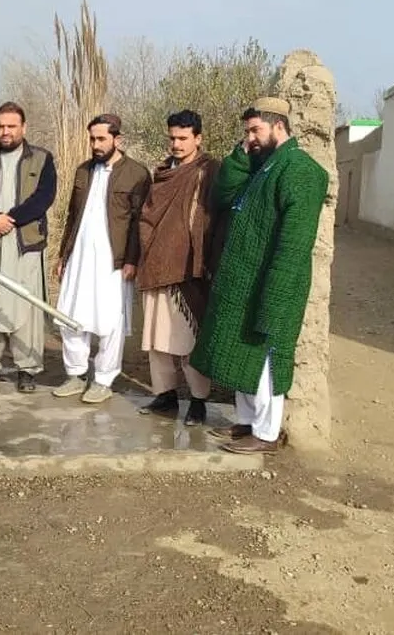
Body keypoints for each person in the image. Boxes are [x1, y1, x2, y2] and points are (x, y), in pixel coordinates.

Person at [190, 97, 328, 454]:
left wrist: (275, 294)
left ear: (278, 126)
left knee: (266, 356)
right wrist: (243, 153)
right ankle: (247, 421)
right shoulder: (263, 167)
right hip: (243, 282)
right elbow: (222, 194)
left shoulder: (300, 170)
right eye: (247, 131)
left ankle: (266, 433)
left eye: (255, 130)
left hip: (272, 283)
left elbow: (294, 245)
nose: (250, 137)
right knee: (242, 353)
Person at [51, 114, 149, 404]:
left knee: (110, 321)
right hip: (79, 258)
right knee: (71, 315)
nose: (95, 144)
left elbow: (139, 222)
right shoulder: (83, 171)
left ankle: (104, 380)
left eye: (101, 139)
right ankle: (75, 374)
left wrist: (132, 260)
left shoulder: (136, 174)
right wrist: (63, 255)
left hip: (113, 261)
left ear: (117, 139)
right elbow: (72, 216)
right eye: (92, 139)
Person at [0, 101, 57, 393]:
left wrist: (11, 219)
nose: (5, 132)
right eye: (0, 126)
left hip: (24, 242)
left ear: (23, 127)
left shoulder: (42, 159)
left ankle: (27, 368)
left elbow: (44, 197)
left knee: (25, 304)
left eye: (11, 126)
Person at [136, 110, 220, 425]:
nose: (176, 144)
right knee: (157, 338)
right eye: (172, 138)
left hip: (187, 269)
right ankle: (165, 396)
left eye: (183, 138)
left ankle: (198, 401)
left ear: (198, 138)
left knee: (188, 340)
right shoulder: (162, 173)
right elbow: (147, 217)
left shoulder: (208, 171)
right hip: (157, 265)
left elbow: (211, 218)